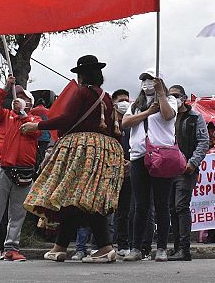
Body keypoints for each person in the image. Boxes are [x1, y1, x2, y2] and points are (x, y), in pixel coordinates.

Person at [23, 55, 124, 263]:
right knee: (79, 198)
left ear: (82, 75)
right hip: (104, 150)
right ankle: (60, 247)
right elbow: (115, 130)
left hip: (82, 148)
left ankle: (103, 247)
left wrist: (38, 125)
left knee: (75, 196)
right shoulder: (106, 97)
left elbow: (67, 118)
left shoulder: (82, 92)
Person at [0, 78, 42, 262]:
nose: (19, 99)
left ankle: (12, 248)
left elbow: (35, 132)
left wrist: (22, 114)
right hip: (0, 166)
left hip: (25, 170)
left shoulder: (35, 120)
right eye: (17, 96)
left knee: (18, 212)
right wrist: (5, 89)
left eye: (24, 98)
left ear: (30, 104)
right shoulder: (3, 116)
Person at [121, 69, 177, 262]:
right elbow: (126, 122)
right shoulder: (135, 105)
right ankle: (136, 247)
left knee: (162, 204)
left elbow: (168, 116)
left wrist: (161, 94)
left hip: (161, 156)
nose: (146, 82)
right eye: (143, 79)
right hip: (139, 156)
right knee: (140, 205)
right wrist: (147, 112)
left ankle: (161, 248)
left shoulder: (169, 100)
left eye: (150, 79)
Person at [166, 84, 209, 261]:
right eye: (170, 96)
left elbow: (203, 141)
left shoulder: (195, 117)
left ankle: (184, 249)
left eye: (176, 95)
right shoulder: (166, 117)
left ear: (184, 98)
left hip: (186, 170)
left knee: (181, 206)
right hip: (167, 170)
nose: (174, 99)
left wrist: (193, 162)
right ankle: (177, 247)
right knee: (171, 208)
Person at [111, 89, 133, 257]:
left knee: (124, 211)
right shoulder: (107, 124)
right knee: (104, 210)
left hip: (128, 172)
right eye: (121, 100)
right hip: (110, 171)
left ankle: (123, 244)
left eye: (127, 99)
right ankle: (100, 244)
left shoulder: (131, 124)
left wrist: (130, 162)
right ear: (113, 103)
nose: (124, 103)